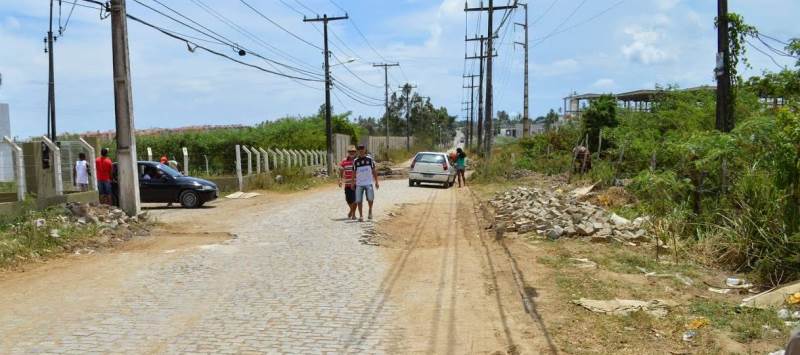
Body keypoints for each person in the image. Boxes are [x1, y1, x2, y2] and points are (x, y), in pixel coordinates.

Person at [353, 144, 379, 221]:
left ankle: (370, 210)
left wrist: (376, 181)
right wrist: (352, 182)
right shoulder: (355, 161)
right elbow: (353, 172)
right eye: (359, 149)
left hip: (368, 183)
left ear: (365, 150)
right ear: (358, 151)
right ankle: (361, 215)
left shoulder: (370, 160)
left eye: (362, 148)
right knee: (358, 200)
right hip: (359, 184)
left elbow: (374, 171)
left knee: (370, 198)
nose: (361, 150)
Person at [339, 145, 357, 220]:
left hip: (357, 183)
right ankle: (351, 211)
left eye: (353, 151)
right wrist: (340, 180)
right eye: (350, 151)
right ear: (348, 152)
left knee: (356, 199)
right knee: (348, 199)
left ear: (355, 152)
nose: (352, 153)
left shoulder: (358, 160)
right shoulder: (344, 161)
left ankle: (353, 214)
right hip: (347, 183)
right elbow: (341, 170)